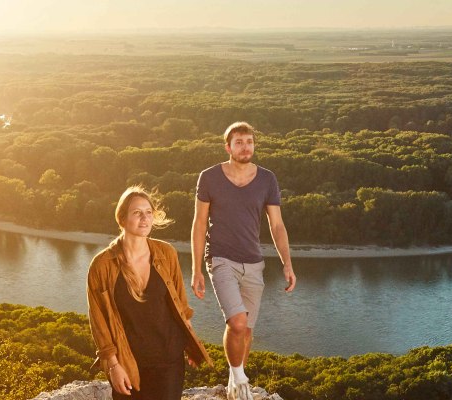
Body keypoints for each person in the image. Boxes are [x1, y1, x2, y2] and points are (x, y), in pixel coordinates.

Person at [190, 121, 297, 400]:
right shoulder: (209, 177)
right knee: (236, 323)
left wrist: (287, 263)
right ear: (228, 147)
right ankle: (239, 377)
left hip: (254, 261)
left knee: (247, 330)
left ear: (254, 145)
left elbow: (277, 225)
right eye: (239, 142)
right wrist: (196, 269)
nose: (245, 146)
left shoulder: (267, 179)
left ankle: (233, 376)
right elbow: (199, 224)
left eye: (249, 141)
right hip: (220, 257)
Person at [88, 187, 209, 400]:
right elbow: (99, 322)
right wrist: (113, 365)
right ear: (122, 219)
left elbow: (180, 305)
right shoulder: (102, 265)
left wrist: (190, 342)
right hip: (128, 361)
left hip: (169, 358)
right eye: (137, 212)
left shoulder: (166, 253)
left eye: (149, 212)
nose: (145, 218)